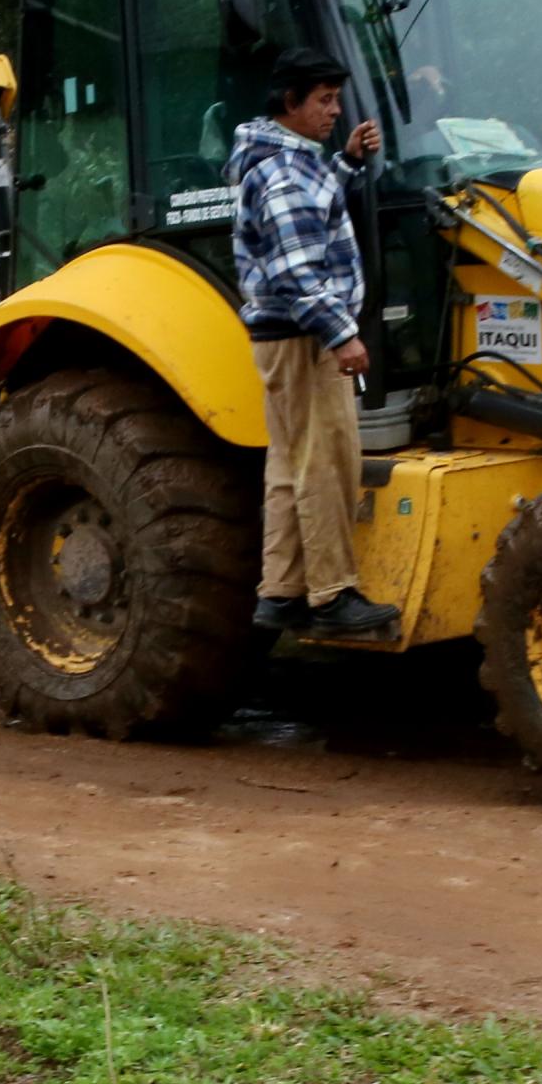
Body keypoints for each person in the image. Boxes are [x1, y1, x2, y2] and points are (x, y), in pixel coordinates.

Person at [229, 51, 398, 641]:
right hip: (304, 339)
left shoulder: (292, 163)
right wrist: (341, 333)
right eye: (323, 100)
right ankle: (331, 595)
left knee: (287, 465)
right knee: (327, 461)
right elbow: (297, 269)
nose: (334, 110)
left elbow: (316, 218)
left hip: (284, 338)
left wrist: (348, 163)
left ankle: (280, 593)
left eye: (335, 98)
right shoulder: (280, 173)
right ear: (290, 104)